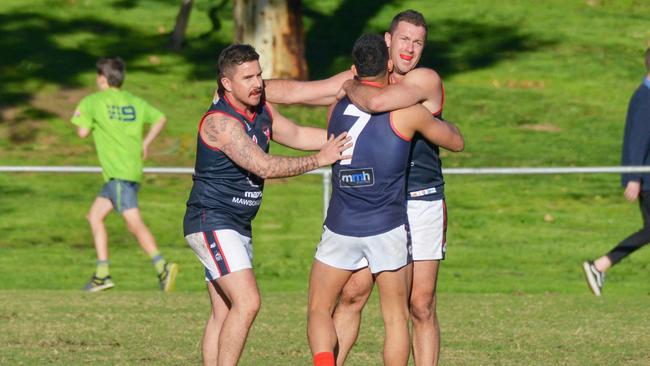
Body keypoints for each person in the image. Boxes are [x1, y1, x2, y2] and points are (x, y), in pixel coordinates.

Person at [266, 10, 453, 366]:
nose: (410, 48)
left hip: (419, 198)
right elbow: (299, 92)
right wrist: (250, 87)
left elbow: (378, 101)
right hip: (379, 205)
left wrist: (348, 85)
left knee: (421, 303)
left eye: (418, 42)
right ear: (388, 40)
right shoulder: (362, 79)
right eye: (404, 39)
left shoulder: (423, 80)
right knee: (352, 294)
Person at [182, 44, 350, 366]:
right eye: (247, 77)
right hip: (211, 220)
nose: (257, 83)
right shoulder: (221, 123)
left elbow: (299, 133)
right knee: (248, 302)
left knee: (223, 311)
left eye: (259, 74)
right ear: (226, 84)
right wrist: (320, 159)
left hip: (236, 224)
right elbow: (264, 167)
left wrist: (353, 137)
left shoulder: (262, 111)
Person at [307, 33, 463, 366]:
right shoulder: (408, 112)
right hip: (388, 224)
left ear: (354, 69)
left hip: (345, 223)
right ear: (389, 60)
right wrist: (432, 120)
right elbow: (456, 141)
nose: (410, 47)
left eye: (417, 41)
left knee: (320, 307)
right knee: (392, 317)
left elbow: (302, 102)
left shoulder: (337, 107)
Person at [71, 57, 178, 293]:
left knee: (134, 224)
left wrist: (80, 113)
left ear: (101, 78)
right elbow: (160, 118)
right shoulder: (134, 101)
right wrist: (146, 142)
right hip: (129, 172)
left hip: (117, 173)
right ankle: (102, 274)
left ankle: (163, 266)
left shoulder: (93, 101)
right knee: (94, 216)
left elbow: (81, 132)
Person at [583, 48, 650, 297]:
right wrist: (633, 178)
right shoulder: (645, 98)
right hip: (646, 178)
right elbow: (637, 140)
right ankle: (600, 265)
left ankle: (600, 266)